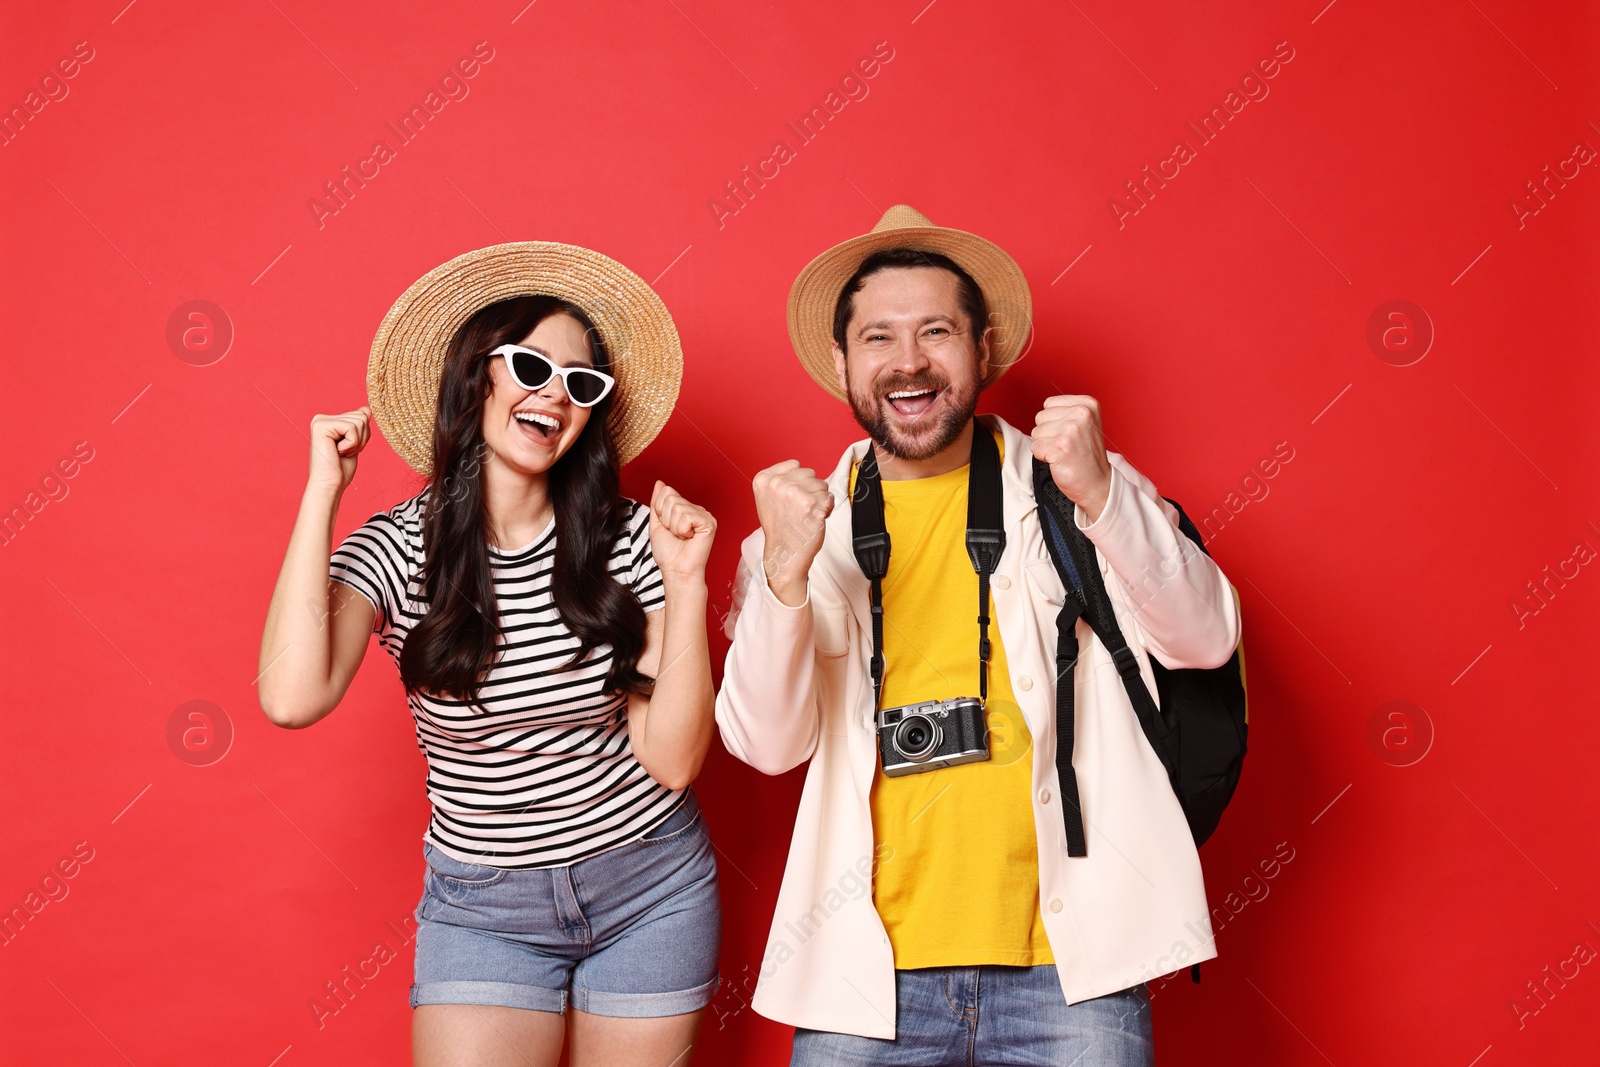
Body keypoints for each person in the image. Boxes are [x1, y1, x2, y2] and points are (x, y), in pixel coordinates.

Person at [715, 205, 1243, 1065]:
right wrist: (782, 574)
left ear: (983, 350)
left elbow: (1205, 637)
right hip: (865, 970)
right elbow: (768, 746)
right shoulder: (800, 530)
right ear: (843, 363)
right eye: (879, 336)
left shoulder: (1073, 488)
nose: (909, 360)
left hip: (1073, 966)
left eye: (937, 331)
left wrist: (1104, 495)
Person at [257, 241, 722, 1067]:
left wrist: (686, 586)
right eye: (532, 365)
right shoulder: (400, 549)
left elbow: (675, 759)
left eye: (581, 383)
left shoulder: (628, 540)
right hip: (483, 904)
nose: (556, 395)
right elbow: (292, 695)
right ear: (479, 374)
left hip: (650, 882)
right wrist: (323, 491)